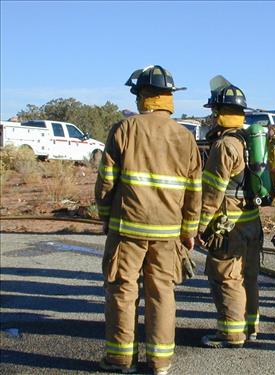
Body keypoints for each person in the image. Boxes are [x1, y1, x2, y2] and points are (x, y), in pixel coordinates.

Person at [95, 65, 202, 375]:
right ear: (168, 97)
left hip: (127, 230)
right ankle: (159, 363)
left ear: (143, 96)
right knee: (162, 294)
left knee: (122, 292)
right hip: (168, 234)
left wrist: (105, 216)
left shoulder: (124, 129)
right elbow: (195, 191)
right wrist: (189, 230)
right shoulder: (185, 137)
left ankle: (119, 360)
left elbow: (105, 183)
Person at [196, 77, 263, 348]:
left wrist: (200, 226)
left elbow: (212, 192)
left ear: (218, 114)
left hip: (227, 222)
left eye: (213, 113)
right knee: (249, 276)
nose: (211, 119)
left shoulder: (225, 146)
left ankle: (231, 333)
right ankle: (251, 327)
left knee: (226, 276)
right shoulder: (248, 140)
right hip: (251, 220)